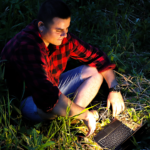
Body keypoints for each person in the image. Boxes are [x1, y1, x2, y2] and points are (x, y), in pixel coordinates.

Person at [0, 0, 125, 136]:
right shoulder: (28, 47)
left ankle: (72, 119)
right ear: (41, 26)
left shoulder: (62, 38)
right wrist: (85, 114)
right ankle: (78, 117)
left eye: (67, 28)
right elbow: (47, 96)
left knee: (94, 71)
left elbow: (98, 57)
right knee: (46, 109)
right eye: (59, 30)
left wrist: (114, 89)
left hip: (52, 87)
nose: (65, 35)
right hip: (28, 99)